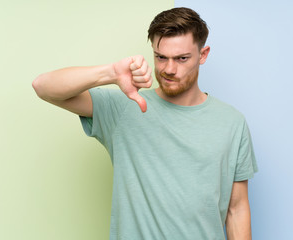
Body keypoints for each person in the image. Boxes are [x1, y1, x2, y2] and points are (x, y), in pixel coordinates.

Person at [32, 7, 258, 240]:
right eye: (161, 57)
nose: (169, 69)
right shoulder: (125, 107)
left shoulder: (232, 122)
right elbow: (44, 87)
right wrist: (110, 72)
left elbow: (236, 209)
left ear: (203, 54)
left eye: (182, 58)